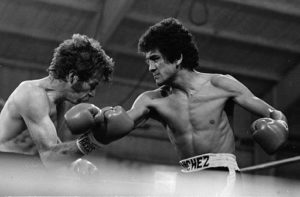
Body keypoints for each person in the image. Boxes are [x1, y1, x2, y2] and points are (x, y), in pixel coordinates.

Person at [64, 18, 289, 195]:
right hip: (186, 178)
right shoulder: (151, 100)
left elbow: (273, 113)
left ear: (178, 58)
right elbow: (119, 125)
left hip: (221, 174)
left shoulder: (221, 84)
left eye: (155, 59)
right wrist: (98, 119)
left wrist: (280, 126)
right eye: (148, 61)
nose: (150, 67)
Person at [0, 34, 114, 171]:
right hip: (6, 166)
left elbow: (53, 147)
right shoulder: (31, 94)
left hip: (27, 170)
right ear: (73, 77)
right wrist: (94, 140)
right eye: (92, 85)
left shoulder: (60, 103)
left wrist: (76, 163)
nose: (92, 93)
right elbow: (49, 157)